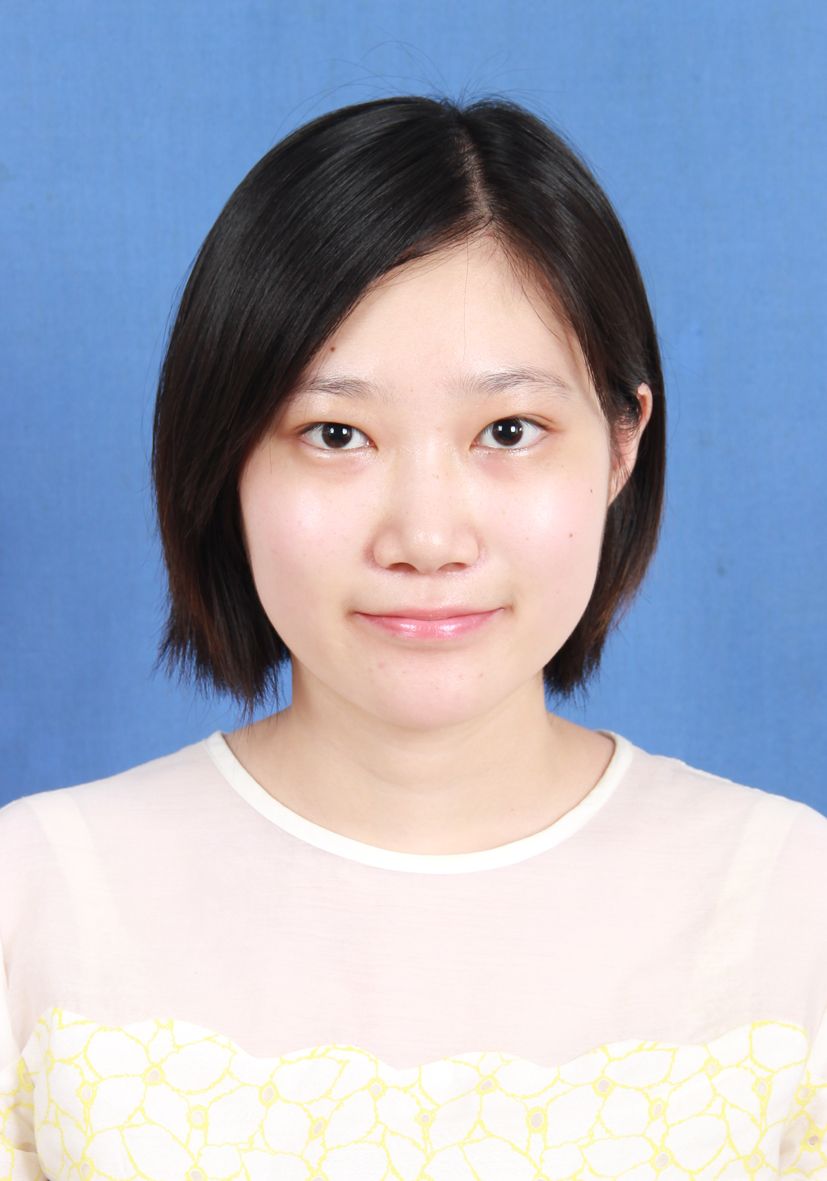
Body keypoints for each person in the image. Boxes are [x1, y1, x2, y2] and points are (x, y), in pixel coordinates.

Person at [1, 93, 824, 1179]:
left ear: (622, 443)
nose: (427, 537)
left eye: (508, 431)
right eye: (336, 433)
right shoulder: (39, 900)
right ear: (224, 454)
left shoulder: (789, 903)